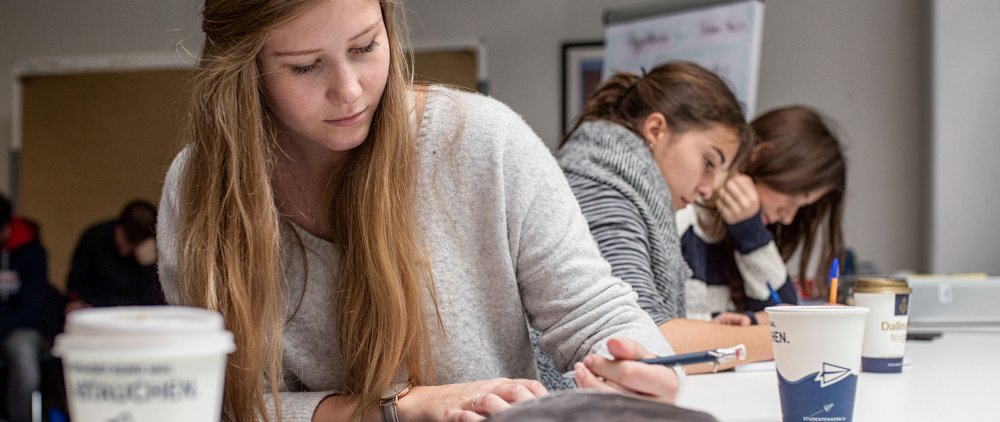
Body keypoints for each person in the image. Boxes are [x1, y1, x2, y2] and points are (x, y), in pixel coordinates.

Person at [157, 1, 682, 421]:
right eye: (305, 65)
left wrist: (645, 366)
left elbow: (593, 311)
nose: (349, 90)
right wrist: (397, 409)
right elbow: (220, 403)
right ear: (245, 70)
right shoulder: (200, 188)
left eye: (365, 47)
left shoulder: (483, 141)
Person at [546, 61, 774, 378]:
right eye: (709, 162)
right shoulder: (600, 192)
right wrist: (790, 337)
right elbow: (648, 340)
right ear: (655, 130)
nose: (709, 191)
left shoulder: (614, 178)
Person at [680, 105, 846, 322]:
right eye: (792, 197)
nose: (787, 218)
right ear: (759, 156)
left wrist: (752, 236)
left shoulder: (746, 235)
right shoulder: (687, 219)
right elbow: (686, 333)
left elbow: (787, 323)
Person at [1, 193, 50, 422]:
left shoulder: (31, 251)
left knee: (24, 361)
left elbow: (32, 308)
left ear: (6, 229)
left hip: (19, 327)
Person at [64, 199, 164, 312]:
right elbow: (76, 282)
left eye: (133, 245)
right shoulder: (95, 237)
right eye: (126, 239)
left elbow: (152, 303)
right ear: (118, 226)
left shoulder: (152, 252)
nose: (126, 250)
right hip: (93, 308)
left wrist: (147, 266)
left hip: (132, 314)